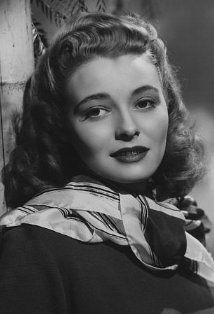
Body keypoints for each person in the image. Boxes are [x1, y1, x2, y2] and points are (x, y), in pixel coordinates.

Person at [0, 12, 214, 314]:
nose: (127, 127)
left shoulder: (185, 242)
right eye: (96, 111)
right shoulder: (35, 243)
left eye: (144, 103)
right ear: (61, 127)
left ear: (169, 108)